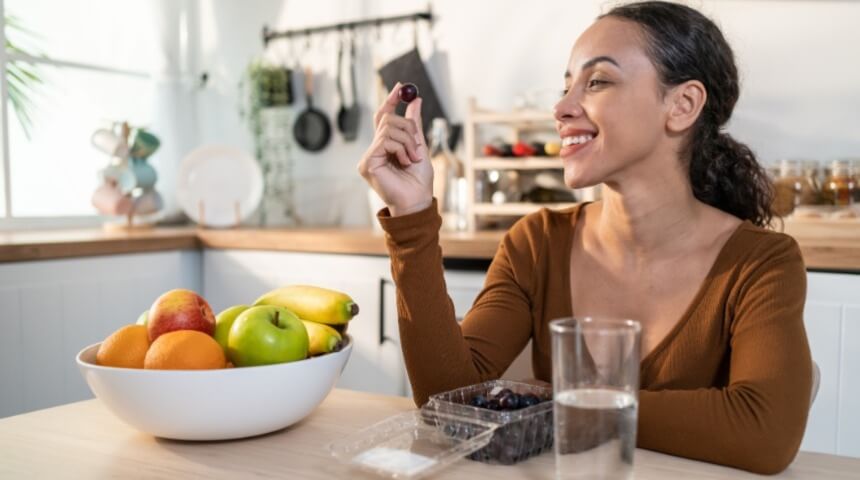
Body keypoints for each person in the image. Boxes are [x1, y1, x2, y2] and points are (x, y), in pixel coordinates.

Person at [357, 1, 812, 475]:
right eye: (567, 85)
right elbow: (446, 399)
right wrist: (411, 219)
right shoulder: (536, 243)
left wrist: (561, 403)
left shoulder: (761, 262)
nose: (562, 107)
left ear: (682, 105)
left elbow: (765, 432)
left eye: (596, 82)